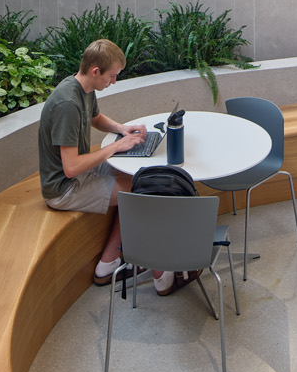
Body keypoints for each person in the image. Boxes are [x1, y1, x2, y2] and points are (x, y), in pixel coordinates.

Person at [38, 39, 186, 296]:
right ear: (95, 71)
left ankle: (108, 264)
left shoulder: (82, 88)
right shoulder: (67, 105)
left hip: (80, 175)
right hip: (64, 188)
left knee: (138, 178)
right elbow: (71, 168)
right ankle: (162, 275)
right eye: (112, 76)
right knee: (146, 192)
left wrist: (121, 129)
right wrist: (116, 147)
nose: (114, 82)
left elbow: (95, 118)